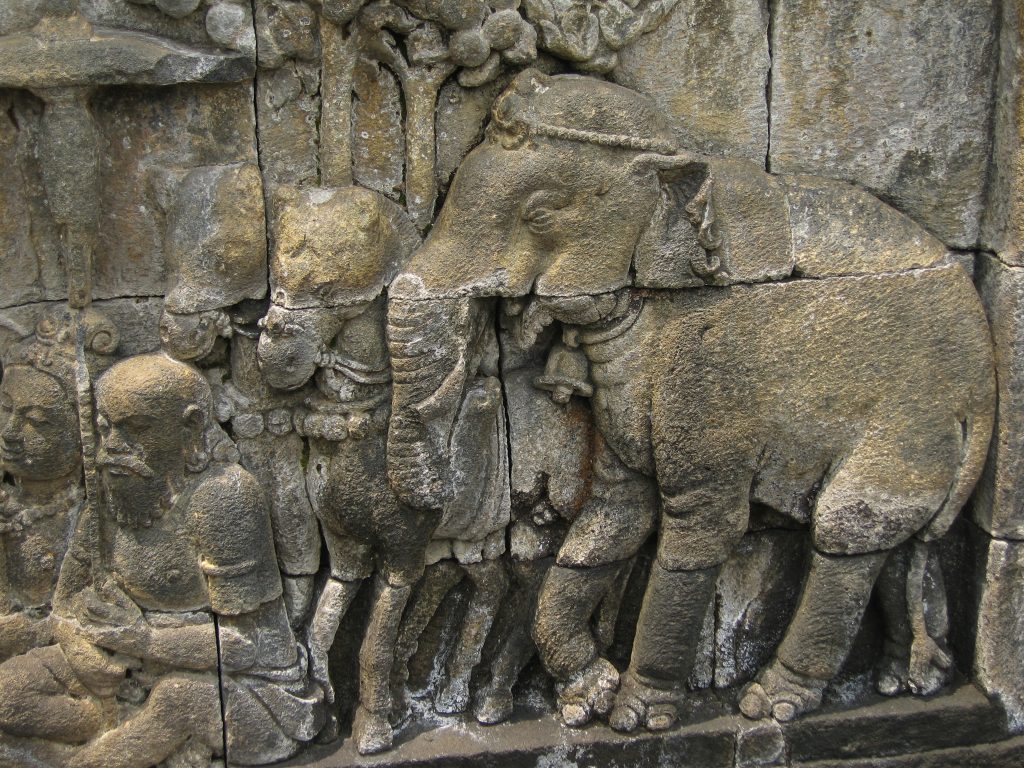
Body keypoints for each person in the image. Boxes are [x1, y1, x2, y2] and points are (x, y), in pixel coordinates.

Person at [0, 353, 323, 767]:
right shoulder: (110, 492)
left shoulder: (223, 497)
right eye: (105, 428)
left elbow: (245, 645)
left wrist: (142, 640)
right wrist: (81, 649)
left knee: (177, 699)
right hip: (123, 662)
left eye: (136, 429)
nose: (112, 447)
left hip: (244, 689)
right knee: (9, 694)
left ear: (190, 426)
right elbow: (65, 604)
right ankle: (100, 726)